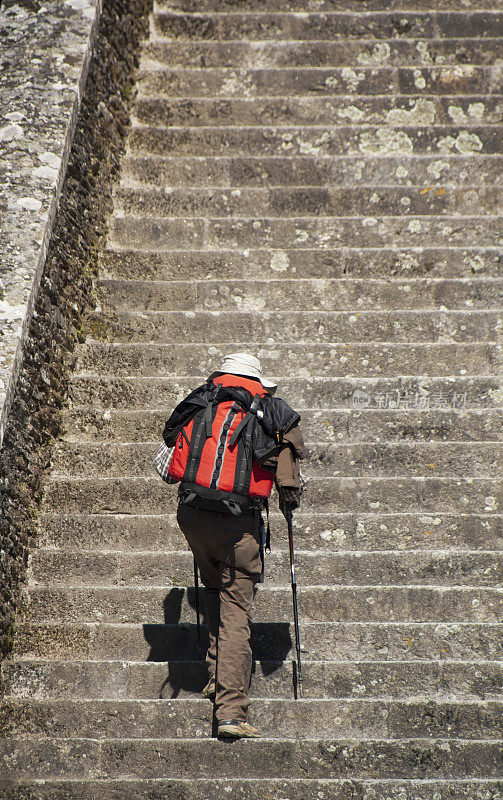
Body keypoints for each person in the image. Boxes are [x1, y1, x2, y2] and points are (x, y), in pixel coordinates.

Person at [162, 353, 307, 739]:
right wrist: (288, 500)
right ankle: (230, 711)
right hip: (238, 525)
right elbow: (289, 469)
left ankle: (214, 676)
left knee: (213, 589)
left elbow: (168, 446)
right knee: (236, 611)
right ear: (257, 381)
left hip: (193, 516)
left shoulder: (202, 400)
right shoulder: (271, 410)